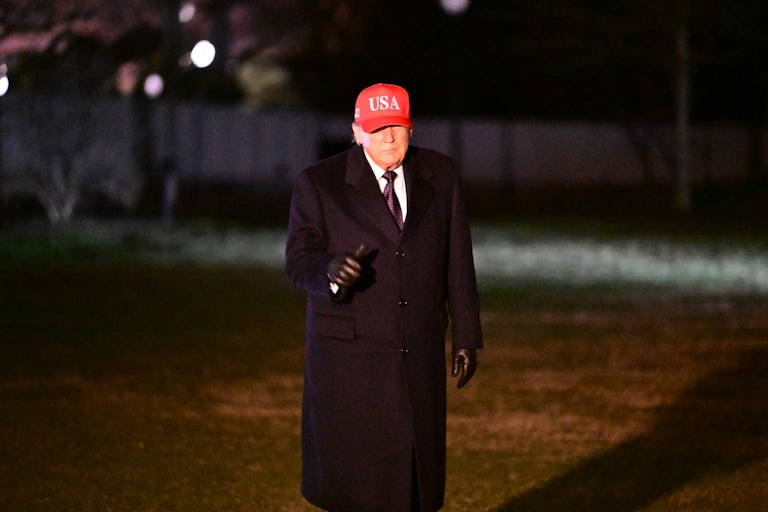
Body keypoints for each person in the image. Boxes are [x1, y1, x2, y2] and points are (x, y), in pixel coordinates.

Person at [285, 83, 483, 512]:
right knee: (357, 485)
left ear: (411, 127)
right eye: (377, 128)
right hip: (348, 360)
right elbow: (298, 260)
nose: (389, 137)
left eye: (397, 125)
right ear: (357, 132)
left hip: (418, 351)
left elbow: (457, 259)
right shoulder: (319, 183)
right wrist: (330, 271)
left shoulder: (441, 174)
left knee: (415, 480)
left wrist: (467, 334)